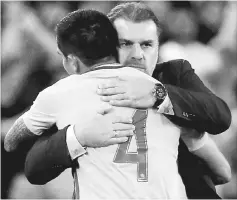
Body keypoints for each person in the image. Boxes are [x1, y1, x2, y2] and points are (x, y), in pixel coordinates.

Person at [5, 2, 231, 199]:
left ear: (158, 45)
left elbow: (220, 117)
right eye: (125, 43)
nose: (137, 55)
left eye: (146, 44)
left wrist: (159, 95)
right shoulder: (76, 89)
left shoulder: (173, 76)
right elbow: (34, 166)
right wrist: (78, 136)